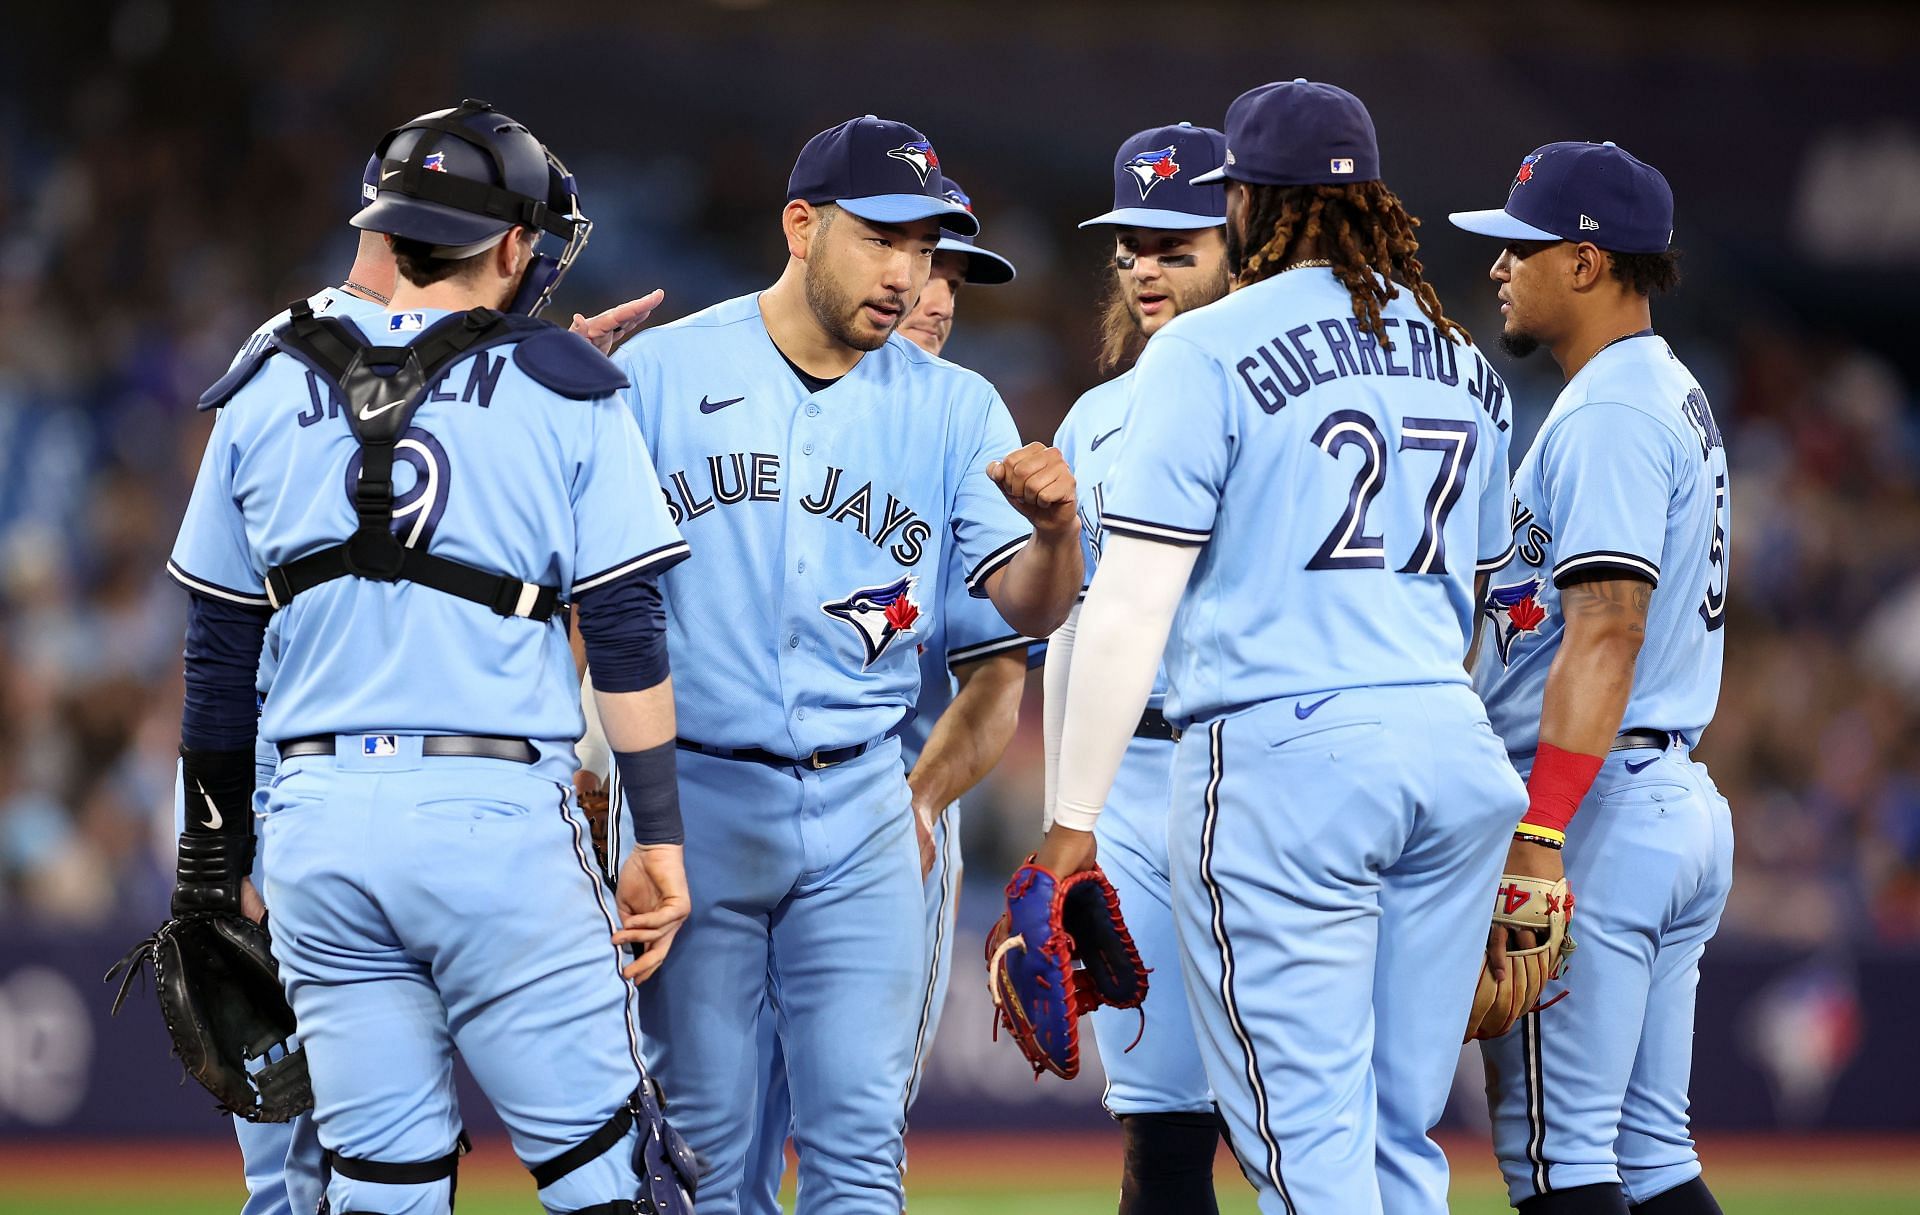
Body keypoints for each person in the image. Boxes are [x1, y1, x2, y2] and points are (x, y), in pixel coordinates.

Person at [166, 99, 694, 1215]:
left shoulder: (262, 372)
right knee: (619, 1182)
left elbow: (217, 652)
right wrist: (659, 837)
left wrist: (210, 868)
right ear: (512, 244)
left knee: (381, 1191)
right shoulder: (567, 382)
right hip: (491, 819)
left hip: (318, 833)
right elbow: (630, 634)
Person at [1043, 80, 1527, 1215]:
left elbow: (1124, 607)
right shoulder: (1466, 363)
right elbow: (1491, 604)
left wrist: (1071, 825)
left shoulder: (1206, 349)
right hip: (1450, 755)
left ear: (1248, 202)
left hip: (1289, 760)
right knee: (1395, 1137)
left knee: (1304, 1153)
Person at [604, 115, 1082, 1214]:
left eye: (926, 249)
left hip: (865, 794)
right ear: (801, 225)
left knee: (861, 1158)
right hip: (700, 797)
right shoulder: (665, 373)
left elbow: (1024, 617)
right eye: (884, 239)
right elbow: (596, 610)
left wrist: (1057, 537)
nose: (908, 275)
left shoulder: (958, 403)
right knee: (707, 1157)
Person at [739, 171, 1029, 1214]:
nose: (935, 292)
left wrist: (922, 799)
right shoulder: (762, 409)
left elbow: (1001, 672)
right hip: (723, 803)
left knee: (851, 1140)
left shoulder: (963, 443)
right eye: (915, 260)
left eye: (952, 271)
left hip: (883, 803)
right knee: (710, 1132)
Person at [1451, 142, 1732, 1215]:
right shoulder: (1663, 388)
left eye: (1519, 247)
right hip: (1659, 795)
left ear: (1583, 261)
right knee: (1652, 1159)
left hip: (1597, 803)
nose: (1498, 268)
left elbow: (1608, 630)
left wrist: (1542, 836)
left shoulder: (1612, 409)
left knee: (1558, 1164)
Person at [1042, 121, 1233, 1215]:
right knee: (1160, 1130)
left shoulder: (1274, 395)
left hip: (1248, 760)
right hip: (1132, 784)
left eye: (1177, 244)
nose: (1145, 268)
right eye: (1131, 247)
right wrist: (1074, 815)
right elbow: (1075, 626)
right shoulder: (1098, 417)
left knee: (1295, 1125)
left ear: (1239, 245)